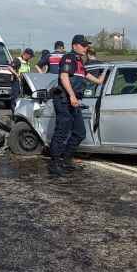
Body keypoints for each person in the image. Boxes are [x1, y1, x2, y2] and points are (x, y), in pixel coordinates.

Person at [49, 35, 106, 176]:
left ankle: (66, 161)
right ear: (75, 46)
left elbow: (86, 75)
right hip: (64, 99)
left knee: (80, 132)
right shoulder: (69, 58)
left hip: (73, 101)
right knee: (61, 132)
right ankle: (54, 165)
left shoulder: (79, 61)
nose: (86, 48)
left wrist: (100, 79)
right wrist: (72, 95)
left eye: (87, 45)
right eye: (83, 45)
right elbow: (64, 77)